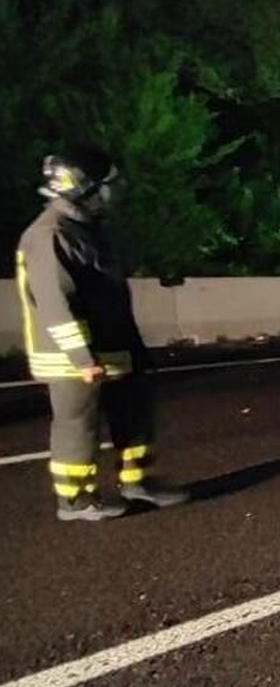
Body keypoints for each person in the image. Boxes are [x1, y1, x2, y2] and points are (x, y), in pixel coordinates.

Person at [14, 149, 189, 520]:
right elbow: (54, 304)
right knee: (78, 427)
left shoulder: (87, 230)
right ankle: (76, 500)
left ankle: (137, 483)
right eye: (106, 186)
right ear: (82, 188)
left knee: (135, 413)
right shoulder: (49, 235)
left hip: (111, 348)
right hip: (73, 358)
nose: (112, 194)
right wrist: (82, 357)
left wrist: (133, 349)